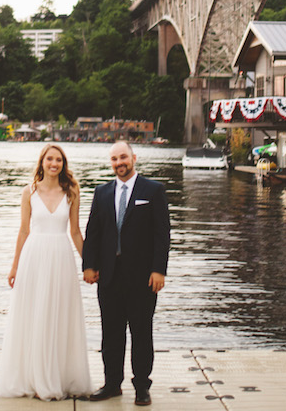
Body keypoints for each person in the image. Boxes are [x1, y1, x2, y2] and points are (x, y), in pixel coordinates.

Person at [0, 144, 91, 400]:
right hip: (34, 258)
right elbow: (24, 231)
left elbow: (76, 232)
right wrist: (14, 266)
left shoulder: (72, 191)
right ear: (42, 162)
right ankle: (33, 376)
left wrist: (89, 263)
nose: (54, 164)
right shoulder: (29, 192)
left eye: (58, 160)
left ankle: (57, 375)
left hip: (61, 257)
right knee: (34, 315)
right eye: (50, 159)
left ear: (63, 164)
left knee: (58, 314)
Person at [82, 141, 170, 407]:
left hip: (143, 277)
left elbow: (161, 234)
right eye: (114, 159)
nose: (119, 163)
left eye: (123, 157)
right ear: (111, 163)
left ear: (133, 158)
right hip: (108, 276)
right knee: (111, 333)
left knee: (141, 333)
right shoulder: (102, 192)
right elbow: (93, 233)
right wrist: (89, 265)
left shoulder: (153, 190)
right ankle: (111, 384)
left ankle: (142, 386)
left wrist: (159, 270)